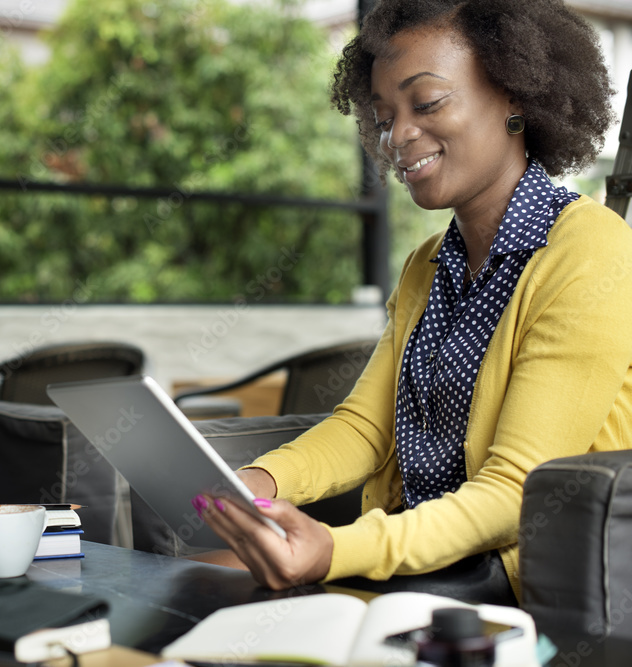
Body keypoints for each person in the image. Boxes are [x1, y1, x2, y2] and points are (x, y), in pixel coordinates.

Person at [192, 0, 632, 605]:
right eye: (383, 116)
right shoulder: (426, 264)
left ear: (516, 98)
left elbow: (516, 493)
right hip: (423, 569)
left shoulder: (591, 251)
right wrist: (255, 485)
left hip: (528, 596)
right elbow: (366, 429)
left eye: (426, 103)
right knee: (209, 585)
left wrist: (334, 549)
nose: (398, 135)